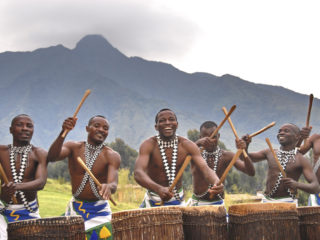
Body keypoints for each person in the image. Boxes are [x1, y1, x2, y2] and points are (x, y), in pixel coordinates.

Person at [47, 115, 120, 240]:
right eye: (97, 126)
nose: (101, 130)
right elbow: (52, 157)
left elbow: (113, 184)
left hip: (99, 212)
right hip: (76, 209)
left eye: (105, 128)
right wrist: (63, 132)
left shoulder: (112, 155)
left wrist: (108, 186)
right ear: (87, 128)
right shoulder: (74, 147)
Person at [134, 109, 224, 208]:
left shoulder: (187, 145)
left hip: (178, 201)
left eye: (171, 119)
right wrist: (158, 189)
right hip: (153, 200)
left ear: (177, 124)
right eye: (162, 120)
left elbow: (205, 169)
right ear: (156, 127)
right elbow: (138, 173)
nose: (167, 123)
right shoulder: (148, 145)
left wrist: (216, 182)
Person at [242, 123, 320, 205]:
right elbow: (247, 158)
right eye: (279, 131)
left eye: (286, 131)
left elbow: (315, 187)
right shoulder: (269, 152)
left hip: (289, 203)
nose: (281, 133)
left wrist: (297, 184)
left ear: (297, 136)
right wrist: (245, 146)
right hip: (266, 201)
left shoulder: (301, 159)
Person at [0, 114, 47, 240]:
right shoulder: (1, 152)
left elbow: (41, 182)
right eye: (19, 125)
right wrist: (2, 196)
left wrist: (17, 186)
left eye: (29, 126)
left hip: (29, 211)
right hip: (3, 210)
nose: (25, 128)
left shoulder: (39, 153)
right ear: (11, 130)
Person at [187, 121, 255, 206]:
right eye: (206, 138)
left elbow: (250, 172)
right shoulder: (194, 154)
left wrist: (244, 149)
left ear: (218, 136)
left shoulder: (227, 156)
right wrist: (197, 143)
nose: (210, 141)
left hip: (218, 205)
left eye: (214, 137)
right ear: (200, 137)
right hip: (197, 204)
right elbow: (181, 157)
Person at [298, 131, 320, 205]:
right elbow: (295, 153)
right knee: (313, 215)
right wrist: (301, 138)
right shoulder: (316, 138)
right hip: (317, 191)